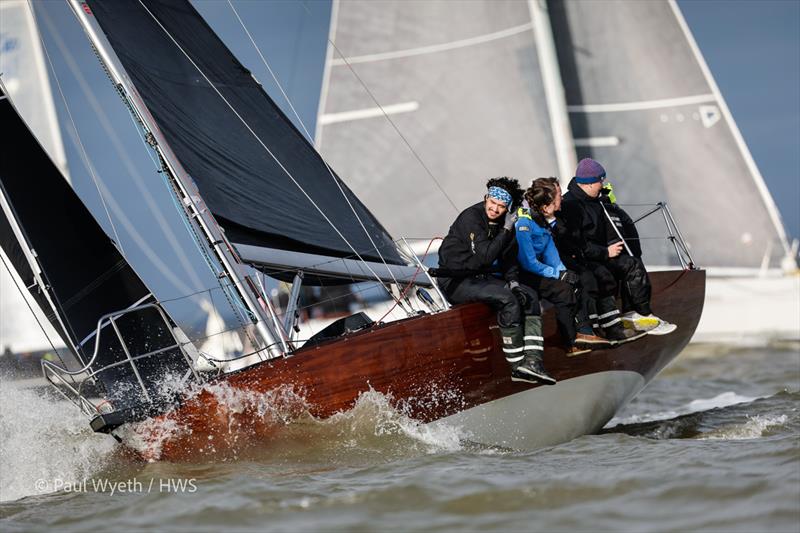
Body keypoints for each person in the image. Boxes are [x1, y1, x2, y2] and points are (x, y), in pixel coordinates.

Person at [437, 177, 556, 385]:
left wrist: (514, 282)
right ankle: (517, 365)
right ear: (486, 198)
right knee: (507, 299)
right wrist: (506, 229)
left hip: (480, 278)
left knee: (528, 295)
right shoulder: (471, 218)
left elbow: (508, 258)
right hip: (455, 280)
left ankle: (534, 362)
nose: (494, 209)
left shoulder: (505, 222)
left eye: (501, 206)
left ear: (508, 207)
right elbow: (485, 256)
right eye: (491, 203)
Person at [560, 158, 676, 336]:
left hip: (600, 254)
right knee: (620, 269)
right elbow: (575, 243)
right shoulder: (571, 205)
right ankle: (639, 316)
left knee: (632, 262)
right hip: (584, 259)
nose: (603, 184)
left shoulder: (597, 201)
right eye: (600, 180)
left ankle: (636, 314)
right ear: (589, 183)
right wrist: (606, 252)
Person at [515, 178, 592, 356]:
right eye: (557, 198)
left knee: (575, 281)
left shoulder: (545, 222)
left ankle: (584, 332)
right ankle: (570, 342)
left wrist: (562, 272)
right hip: (521, 273)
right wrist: (557, 276)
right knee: (562, 290)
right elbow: (528, 262)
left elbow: (552, 256)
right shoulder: (524, 224)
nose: (561, 200)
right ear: (546, 205)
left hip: (537, 269)